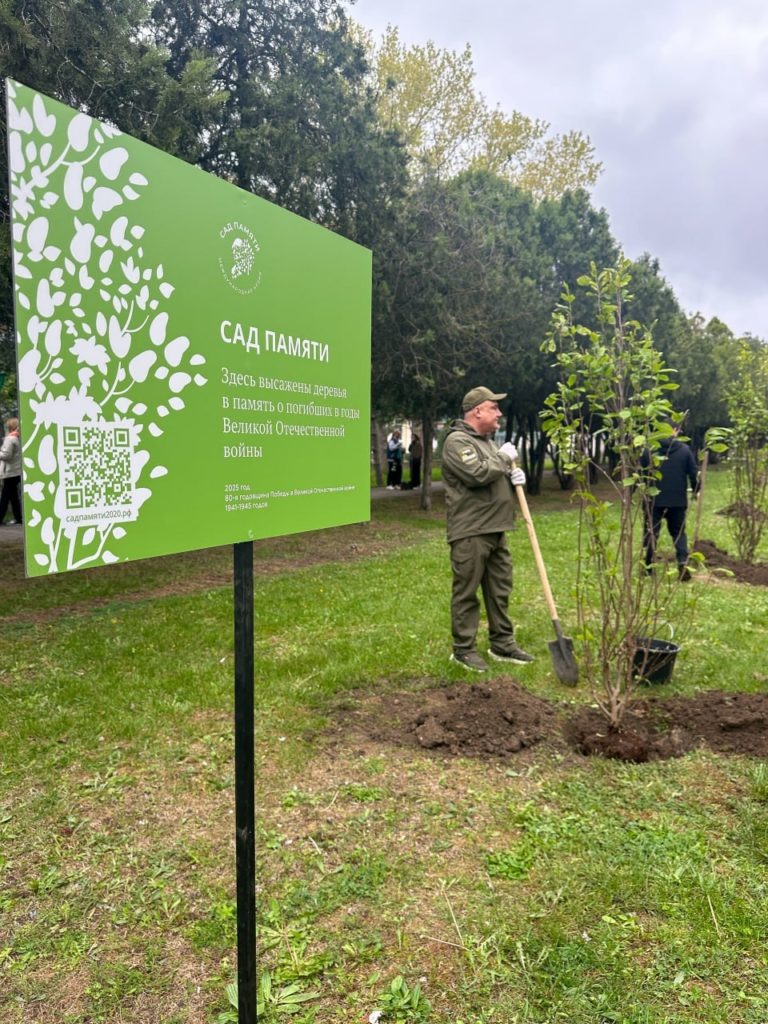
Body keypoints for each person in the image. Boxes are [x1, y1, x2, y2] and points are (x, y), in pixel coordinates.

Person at [441, 386, 533, 672]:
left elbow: (493, 474)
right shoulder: (456, 442)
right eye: (494, 408)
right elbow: (477, 474)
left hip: (496, 528)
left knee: (499, 589)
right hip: (471, 530)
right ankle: (464, 650)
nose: (499, 413)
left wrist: (513, 478)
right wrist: (504, 460)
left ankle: (502, 643)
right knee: (467, 591)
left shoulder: (489, 444)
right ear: (477, 410)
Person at [642, 419, 698, 581]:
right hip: (678, 500)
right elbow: (694, 473)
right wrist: (696, 489)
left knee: (651, 533)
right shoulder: (685, 450)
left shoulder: (649, 450)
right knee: (679, 533)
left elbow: (640, 474)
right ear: (673, 430)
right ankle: (682, 562)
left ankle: (647, 566)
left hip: (654, 500)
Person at [0, 417, 22, 526]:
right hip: (16, 471)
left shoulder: (9, 439)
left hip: (9, 472)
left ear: (10, 426)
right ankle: (19, 518)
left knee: (5, 497)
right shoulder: (18, 438)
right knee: (13, 497)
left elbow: (6, 455)